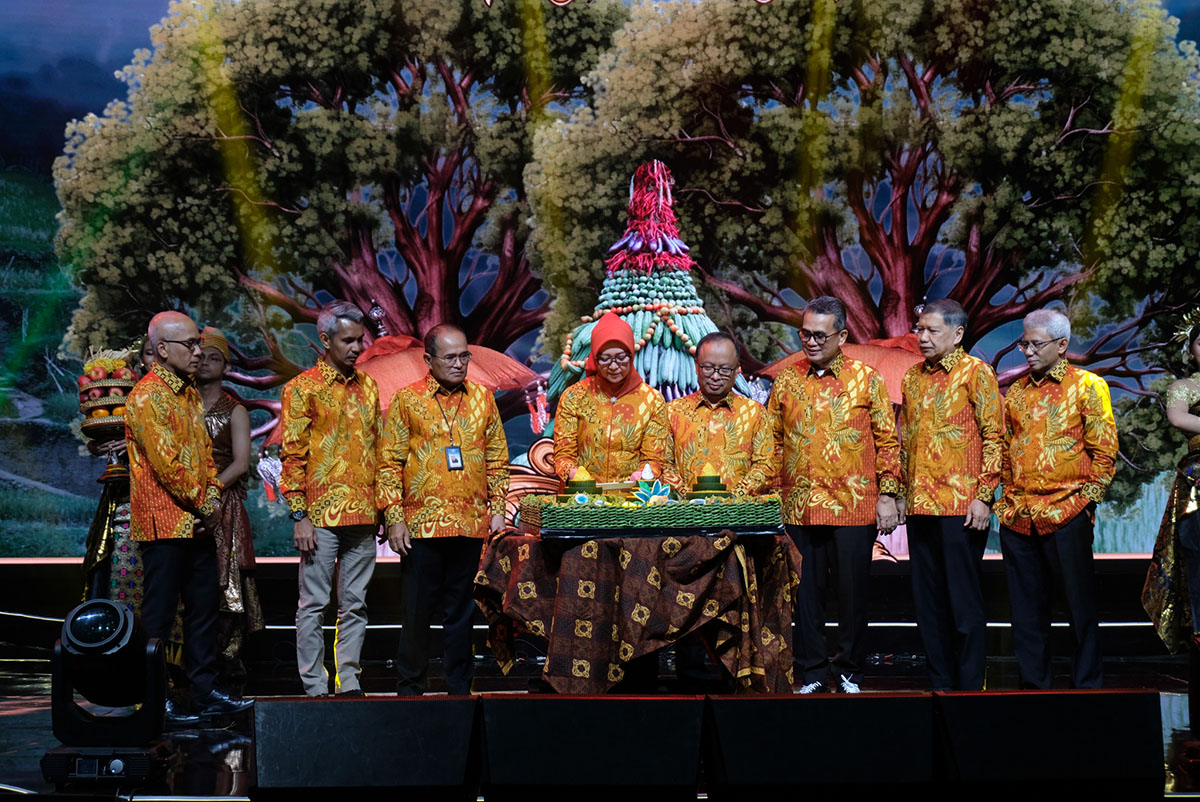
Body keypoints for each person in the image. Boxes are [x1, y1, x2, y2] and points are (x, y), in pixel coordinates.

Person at [766, 296, 901, 694]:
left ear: (841, 336)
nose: (810, 342)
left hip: (853, 506)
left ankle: (849, 671)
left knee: (852, 594)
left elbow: (887, 441)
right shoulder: (786, 380)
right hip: (800, 506)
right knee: (806, 595)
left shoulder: (867, 379)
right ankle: (811, 671)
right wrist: (770, 496)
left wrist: (888, 494)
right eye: (805, 334)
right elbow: (772, 443)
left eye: (820, 335)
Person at [125, 311, 252, 722]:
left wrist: (210, 499)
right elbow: (170, 467)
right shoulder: (147, 397)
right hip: (165, 524)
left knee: (203, 611)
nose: (199, 351)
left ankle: (205, 692)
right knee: (159, 617)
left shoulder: (189, 394)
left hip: (198, 521)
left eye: (200, 344)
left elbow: (204, 461)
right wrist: (208, 506)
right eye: (191, 344)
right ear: (162, 349)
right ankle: (155, 697)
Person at [377, 323, 509, 695]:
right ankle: (410, 687)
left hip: (470, 523)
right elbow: (389, 463)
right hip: (422, 526)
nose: (458, 363)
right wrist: (394, 517)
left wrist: (498, 509)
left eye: (464, 356)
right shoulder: (408, 400)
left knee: (462, 614)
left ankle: (459, 689)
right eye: (449, 357)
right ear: (428, 360)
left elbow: (497, 459)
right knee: (417, 612)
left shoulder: (483, 398)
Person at [996, 307, 1117, 689]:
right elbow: (1006, 449)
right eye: (1024, 344)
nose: (1028, 351)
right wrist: (1006, 497)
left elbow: (1105, 452)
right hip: (1019, 516)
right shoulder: (1016, 391)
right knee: (1026, 613)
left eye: (1036, 344)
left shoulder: (1088, 385)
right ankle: (1035, 690)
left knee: (1078, 608)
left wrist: (1086, 505)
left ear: (1062, 345)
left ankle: (1087, 689)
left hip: (1068, 511)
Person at [898, 299, 1003, 691]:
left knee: (963, 601)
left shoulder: (977, 373)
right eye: (920, 329)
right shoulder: (912, 378)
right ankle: (940, 683)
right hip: (920, 506)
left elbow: (994, 436)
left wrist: (984, 495)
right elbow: (905, 441)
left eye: (932, 330)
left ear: (957, 334)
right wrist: (901, 493)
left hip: (962, 506)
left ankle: (970, 685)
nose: (922, 337)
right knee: (928, 603)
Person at [280, 300, 382, 697]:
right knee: (313, 604)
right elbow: (293, 456)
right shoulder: (302, 389)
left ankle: (349, 681)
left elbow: (377, 450)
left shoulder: (369, 386)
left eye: (360, 340)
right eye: (347, 341)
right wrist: (299, 514)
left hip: (363, 514)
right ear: (325, 340)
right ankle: (314, 686)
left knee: (355, 604)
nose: (357, 348)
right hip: (320, 516)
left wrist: (384, 509)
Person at [196, 326, 264, 689]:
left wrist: (209, 490)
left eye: (215, 358)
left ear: (226, 366)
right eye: (201, 356)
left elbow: (239, 464)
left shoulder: (234, 410)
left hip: (222, 501)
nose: (205, 363)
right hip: (187, 501)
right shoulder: (181, 406)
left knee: (228, 578)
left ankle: (228, 658)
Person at [553, 311, 670, 484]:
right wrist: (574, 474)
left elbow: (654, 458)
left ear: (631, 355)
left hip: (634, 495)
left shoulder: (652, 400)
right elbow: (564, 454)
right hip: (582, 495)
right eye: (605, 359)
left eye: (621, 358)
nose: (614, 366)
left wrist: (644, 473)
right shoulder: (574, 396)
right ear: (595, 358)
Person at [1143, 321, 1200, 655]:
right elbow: (1178, 418)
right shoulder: (1185, 386)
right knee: (1196, 556)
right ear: (1190, 353)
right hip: (1198, 481)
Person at [662, 331, 773, 495]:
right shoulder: (672, 412)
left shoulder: (754, 413)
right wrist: (690, 498)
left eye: (725, 369)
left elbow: (765, 466)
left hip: (740, 509)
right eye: (708, 368)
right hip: (685, 508)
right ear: (696, 366)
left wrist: (733, 498)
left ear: (737, 369)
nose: (715, 376)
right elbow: (663, 464)